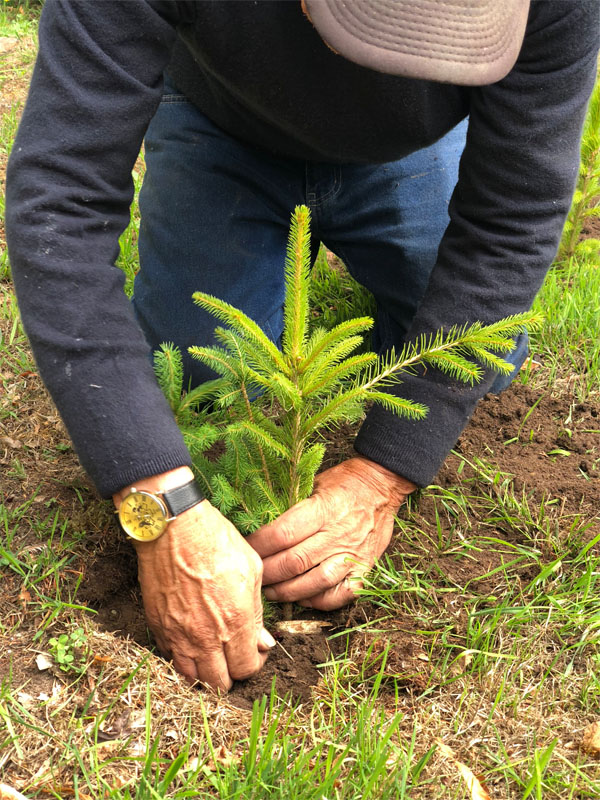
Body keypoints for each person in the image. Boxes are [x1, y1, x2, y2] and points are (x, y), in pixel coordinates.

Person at [6, 0, 599, 691]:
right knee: (202, 395)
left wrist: (385, 474)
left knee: (482, 363)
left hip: (409, 147)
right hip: (221, 121)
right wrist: (156, 499)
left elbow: (510, 223)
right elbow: (60, 200)